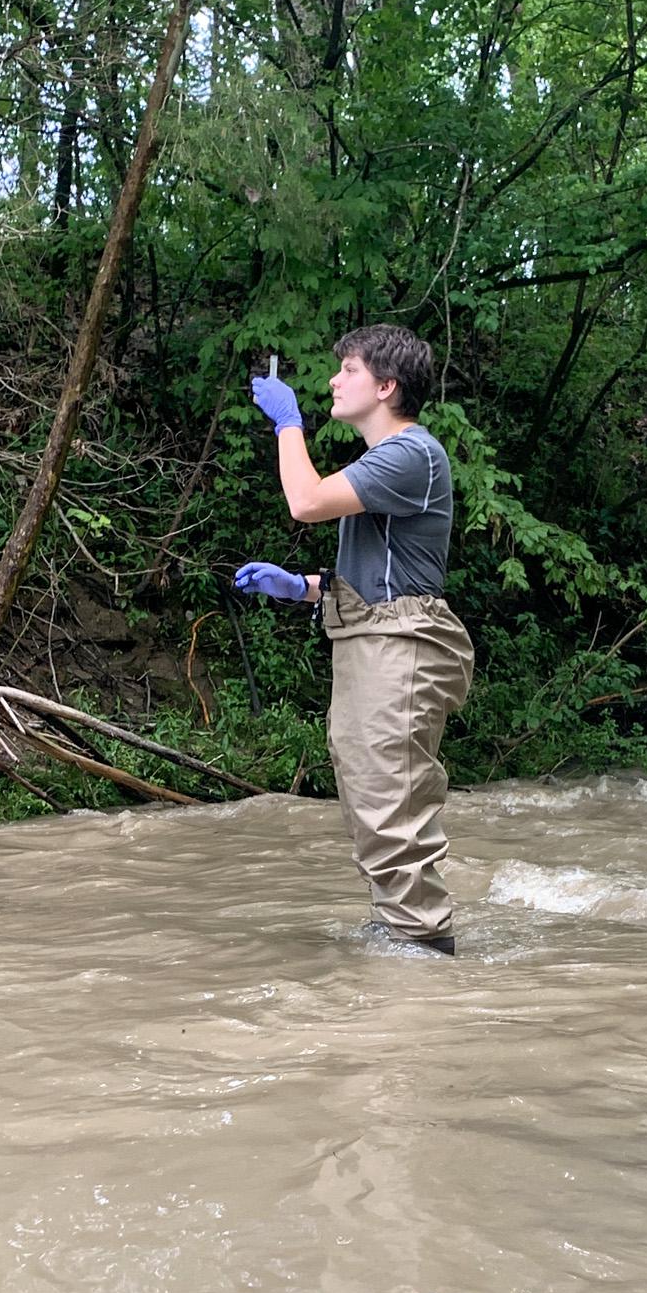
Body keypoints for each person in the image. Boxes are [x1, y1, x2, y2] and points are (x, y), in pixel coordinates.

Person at [233, 324, 476, 956]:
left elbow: (307, 501)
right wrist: (306, 588)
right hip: (378, 639)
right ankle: (403, 931)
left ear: (387, 386)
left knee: (389, 801)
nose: (334, 380)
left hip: (404, 645)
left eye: (349, 370)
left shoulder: (410, 453)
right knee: (372, 796)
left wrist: (288, 424)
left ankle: (423, 954)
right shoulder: (383, 463)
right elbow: (387, 571)